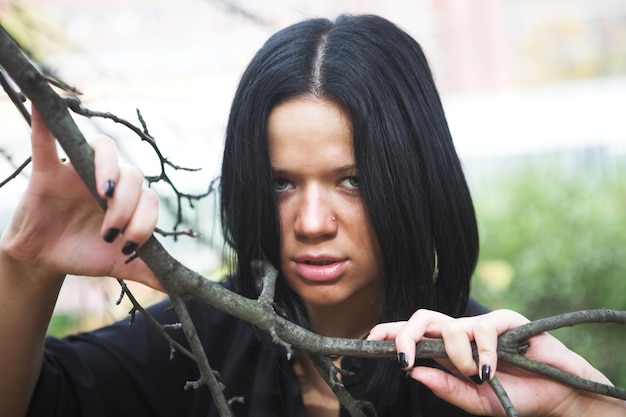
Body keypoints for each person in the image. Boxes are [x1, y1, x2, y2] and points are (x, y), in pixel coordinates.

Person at [0, 13, 623, 417]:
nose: (312, 221)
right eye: (280, 183)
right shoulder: (192, 348)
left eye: (351, 181)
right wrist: (26, 267)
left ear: (413, 179)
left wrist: (578, 409)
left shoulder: (487, 375)